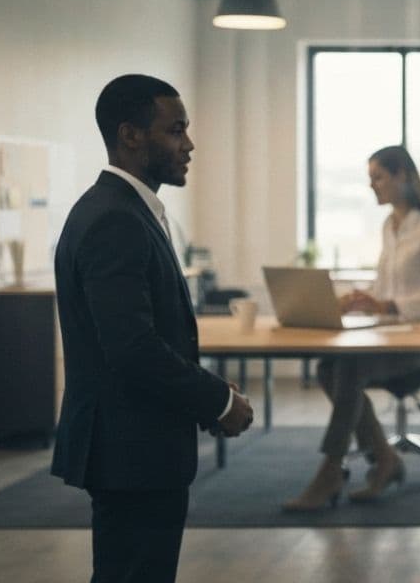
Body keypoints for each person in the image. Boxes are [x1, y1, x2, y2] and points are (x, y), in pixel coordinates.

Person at [52, 74, 254, 583]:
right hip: (132, 446)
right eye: (175, 130)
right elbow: (133, 348)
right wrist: (219, 402)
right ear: (131, 135)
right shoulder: (115, 220)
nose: (188, 144)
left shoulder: (115, 210)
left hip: (133, 445)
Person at [283, 145, 420, 510]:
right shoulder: (390, 226)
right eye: (370, 178)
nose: (372, 185)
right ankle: (385, 457)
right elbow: (386, 289)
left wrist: (388, 305)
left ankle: (331, 469)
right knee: (329, 368)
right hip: (390, 339)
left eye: (378, 177)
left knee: (350, 368)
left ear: (402, 175)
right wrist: (361, 298)